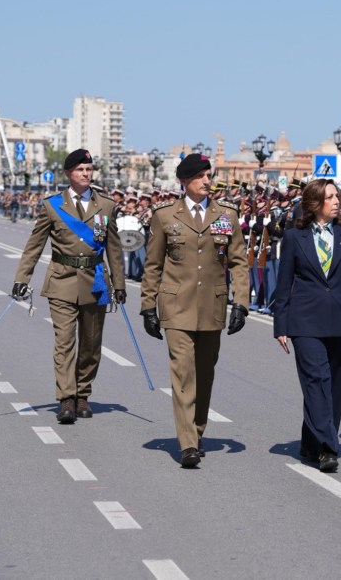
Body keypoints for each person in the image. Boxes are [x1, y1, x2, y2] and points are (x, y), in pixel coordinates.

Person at [139, 153, 250, 468]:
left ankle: (197, 431)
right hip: (176, 307)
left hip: (212, 306)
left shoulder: (226, 214)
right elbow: (153, 265)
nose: (207, 182)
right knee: (183, 373)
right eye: (201, 176)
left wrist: (240, 301)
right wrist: (148, 305)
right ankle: (187, 442)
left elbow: (239, 262)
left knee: (205, 375)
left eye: (209, 176)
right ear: (185, 181)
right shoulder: (164, 215)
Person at [12, 149, 126, 424]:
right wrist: (21, 278)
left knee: (91, 344)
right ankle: (66, 398)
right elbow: (34, 245)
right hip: (61, 281)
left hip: (96, 282)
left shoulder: (106, 206)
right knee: (64, 342)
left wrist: (119, 284)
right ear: (68, 174)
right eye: (80, 170)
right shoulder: (52, 206)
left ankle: (83, 394)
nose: (86, 174)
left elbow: (114, 248)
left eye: (89, 170)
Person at [272, 179, 341, 473]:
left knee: (335, 388)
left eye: (336, 196)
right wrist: (281, 324)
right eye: (330, 197)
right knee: (316, 380)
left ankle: (310, 441)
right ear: (315, 203)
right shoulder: (295, 237)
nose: (337, 201)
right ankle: (329, 447)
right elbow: (284, 284)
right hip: (304, 321)